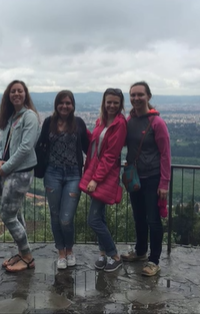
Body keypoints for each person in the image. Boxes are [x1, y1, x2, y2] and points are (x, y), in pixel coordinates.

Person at [121, 81, 171, 277]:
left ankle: (154, 260)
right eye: (132, 95)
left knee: (153, 220)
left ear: (148, 96)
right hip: (135, 178)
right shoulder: (129, 120)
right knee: (138, 217)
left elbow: (166, 154)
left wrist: (164, 183)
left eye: (140, 95)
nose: (136, 98)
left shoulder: (157, 123)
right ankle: (141, 251)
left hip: (152, 177)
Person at [36, 90, 90, 270]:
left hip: (74, 174)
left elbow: (90, 147)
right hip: (53, 173)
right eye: (61, 103)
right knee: (55, 214)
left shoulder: (79, 123)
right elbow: (41, 146)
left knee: (66, 218)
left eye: (68, 103)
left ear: (73, 105)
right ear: (56, 104)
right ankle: (61, 252)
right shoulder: (48, 123)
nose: (65, 106)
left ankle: (69, 249)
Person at [0, 80, 40, 273]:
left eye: (19, 91)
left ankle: (27, 256)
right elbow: (1, 143)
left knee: (7, 215)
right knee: (17, 213)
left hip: (20, 172)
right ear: (8, 95)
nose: (16, 94)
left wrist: (6, 168)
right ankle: (22, 253)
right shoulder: (12, 117)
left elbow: (25, 147)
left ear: (25, 94)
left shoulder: (29, 116)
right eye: (13, 91)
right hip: (9, 170)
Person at [82, 88, 127, 272]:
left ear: (120, 104)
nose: (112, 105)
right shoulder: (101, 120)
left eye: (116, 102)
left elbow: (110, 155)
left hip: (104, 176)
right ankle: (102, 254)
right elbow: (94, 143)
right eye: (109, 102)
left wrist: (95, 179)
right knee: (99, 216)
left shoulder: (120, 124)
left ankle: (114, 255)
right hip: (97, 172)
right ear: (104, 102)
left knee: (93, 220)